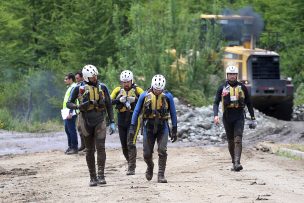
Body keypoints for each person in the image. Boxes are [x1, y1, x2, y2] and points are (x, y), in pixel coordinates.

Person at [67, 64, 116, 186]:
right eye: (92, 77)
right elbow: (69, 103)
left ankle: (101, 175)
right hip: (85, 120)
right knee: (89, 150)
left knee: (101, 148)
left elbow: (109, 105)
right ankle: (92, 177)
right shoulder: (78, 88)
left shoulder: (103, 87)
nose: (95, 78)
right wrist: (78, 106)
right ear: (87, 78)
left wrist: (112, 121)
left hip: (100, 120)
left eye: (96, 76)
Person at [130, 74, 177, 183]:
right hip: (148, 127)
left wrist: (174, 129)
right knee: (146, 154)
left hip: (162, 126)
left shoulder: (168, 96)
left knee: (162, 150)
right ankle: (150, 166)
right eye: (155, 89)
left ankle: (161, 175)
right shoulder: (144, 95)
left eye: (159, 90)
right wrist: (132, 127)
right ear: (152, 86)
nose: (157, 92)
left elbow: (173, 113)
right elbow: (136, 111)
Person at [213, 65, 257, 172]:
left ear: (236, 75)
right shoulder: (222, 88)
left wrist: (252, 117)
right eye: (230, 74)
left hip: (239, 116)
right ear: (227, 75)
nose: (232, 76)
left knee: (238, 139)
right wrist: (216, 115)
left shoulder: (242, 87)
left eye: (234, 74)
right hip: (227, 116)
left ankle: (237, 163)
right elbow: (216, 102)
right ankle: (234, 162)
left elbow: (249, 103)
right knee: (230, 141)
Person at [110, 70, 144, 175]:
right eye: (124, 82)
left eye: (127, 82)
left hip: (134, 118)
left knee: (130, 142)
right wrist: (118, 100)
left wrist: (136, 99)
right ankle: (130, 162)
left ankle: (131, 168)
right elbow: (108, 102)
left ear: (131, 81)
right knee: (124, 145)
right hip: (121, 119)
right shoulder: (117, 90)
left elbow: (147, 100)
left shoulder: (138, 90)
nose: (126, 84)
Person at [62, 73, 78, 155]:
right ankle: (70, 146)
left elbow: (73, 101)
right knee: (67, 130)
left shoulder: (74, 87)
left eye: (66, 79)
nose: (65, 80)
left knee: (71, 130)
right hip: (66, 111)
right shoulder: (70, 87)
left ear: (70, 79)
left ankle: (74, 147)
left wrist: (71, 112)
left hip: (70, 111)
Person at [75, 71, 85, 151]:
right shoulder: (78, 86)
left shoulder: (85, 85)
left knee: (86, 129)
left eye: (78, 78)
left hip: (86, 110)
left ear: (82, 77)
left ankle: (90, 146)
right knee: (79, 128)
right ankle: (83, 145)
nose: (77, 80)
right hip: (79, 110)